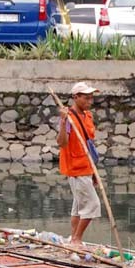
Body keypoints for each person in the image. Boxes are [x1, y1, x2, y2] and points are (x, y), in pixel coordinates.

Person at [57, 82, 101, 245]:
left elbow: (89, 143)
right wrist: (62, 121)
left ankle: (74, 239)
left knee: (78, 206)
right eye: (86, 98)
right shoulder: (67, 118)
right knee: (92, 205)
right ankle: (76, 239)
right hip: (76, 168)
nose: (90, 101)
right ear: (76, 98)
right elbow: (62, 143)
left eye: (91, 98)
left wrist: (94, 171)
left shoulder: (88, 115)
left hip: (87, 166)